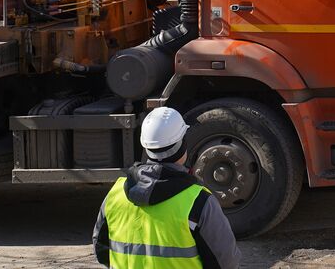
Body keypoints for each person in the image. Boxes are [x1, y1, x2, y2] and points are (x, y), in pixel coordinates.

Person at [93, 107, 240, 269]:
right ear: (182, 144)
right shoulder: (199, 201)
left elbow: (101, 248)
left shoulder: (116, 193)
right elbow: (226, 262)